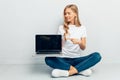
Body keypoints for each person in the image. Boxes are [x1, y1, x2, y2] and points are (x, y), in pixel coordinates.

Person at [45, 4, 101, 78]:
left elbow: (83, 47)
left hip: (77, 59)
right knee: (48, 59)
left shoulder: (82, 28)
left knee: (97, 56)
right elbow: (58, 48)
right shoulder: (61, 28)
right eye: (65, 13)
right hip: (63, 59)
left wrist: (79, 42)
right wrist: (61, 40)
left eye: (69, 13)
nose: (66, 15)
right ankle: (79, 70)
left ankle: (67, 72)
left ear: (75, 14)